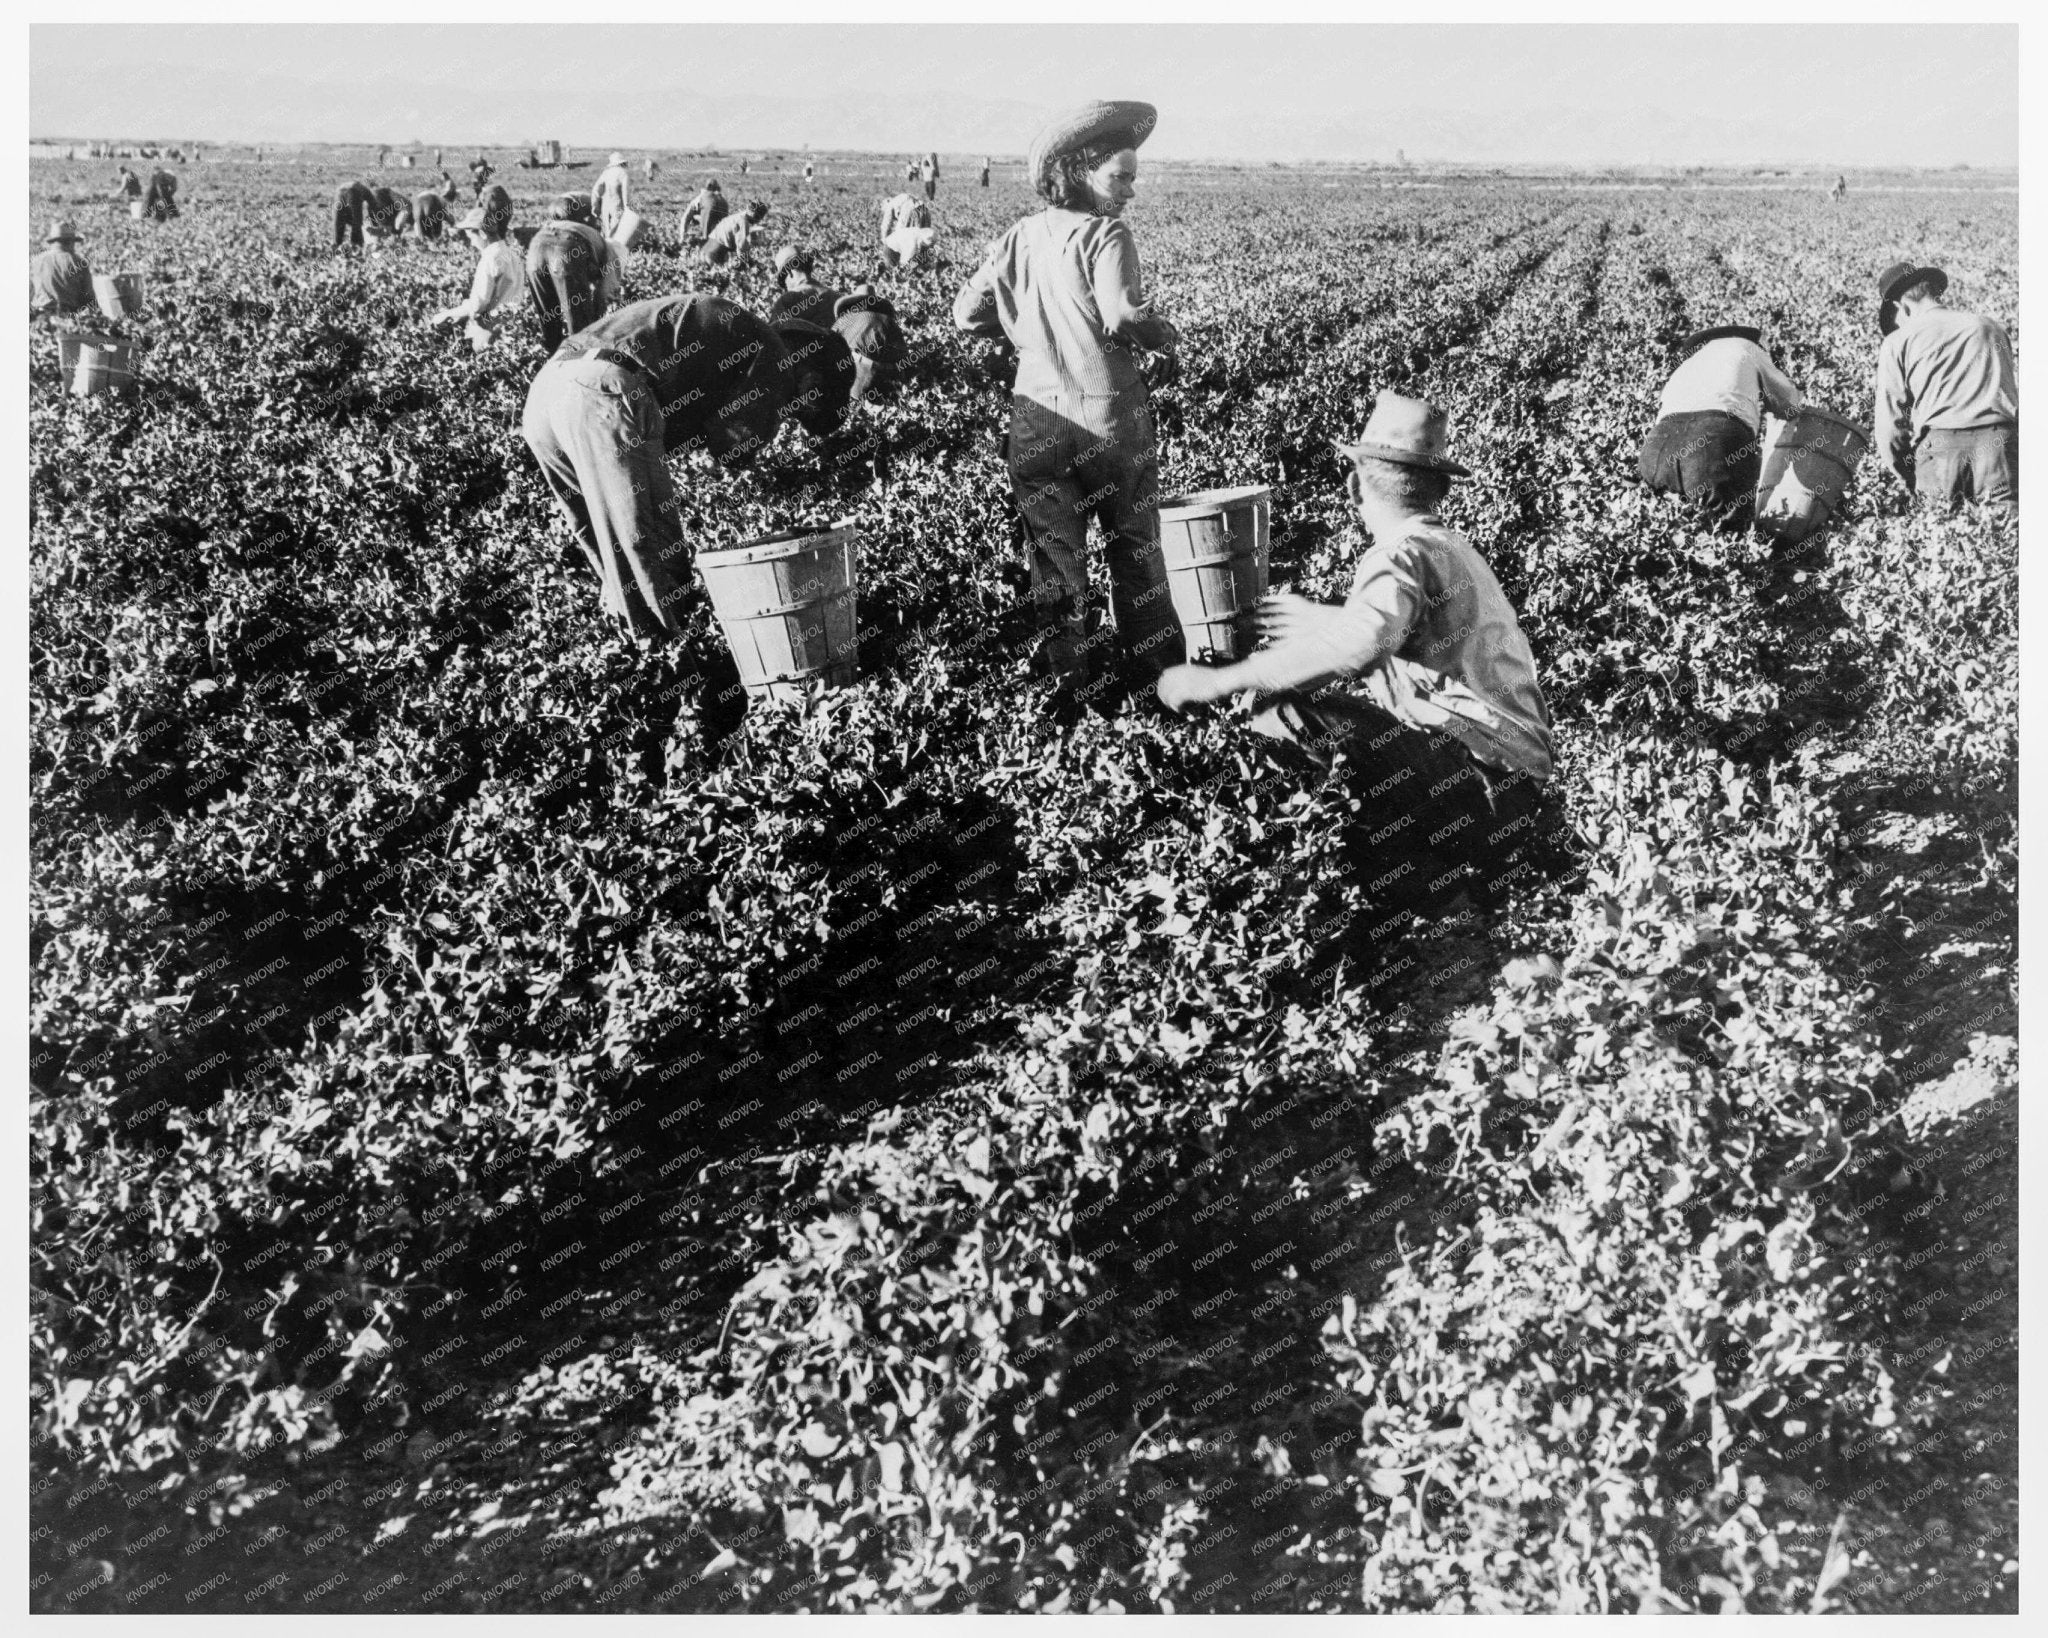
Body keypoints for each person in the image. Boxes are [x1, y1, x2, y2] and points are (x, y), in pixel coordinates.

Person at [1157, 391, 1556, 915]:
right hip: (1515, 790)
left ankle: (1395, 886)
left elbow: (1362, 645)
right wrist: (1327, 621)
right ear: (1439, 489)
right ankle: (1426, 873)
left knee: (1284, 713)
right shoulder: (1445, 547)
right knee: (1331, 720)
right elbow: (1404, 640)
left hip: (1484, 792)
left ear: (1353, 486)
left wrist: (1218, 681)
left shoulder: (1399, 554)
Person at [953, 98, 1183, 702]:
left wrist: (1024, 324)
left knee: (1056, 563)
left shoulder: (1018, 237)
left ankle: (1068, 694)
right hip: (1109, 416)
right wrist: (1162, 336)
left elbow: (966, 313)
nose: (1129, 191)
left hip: (1037, 421)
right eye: (1120, 177)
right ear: (1081, 171)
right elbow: (1122, 314)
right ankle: (1159, 686)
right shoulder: (1107, 233)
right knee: (1135, 549)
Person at [519, 293, 866, 640]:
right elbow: (733, 448)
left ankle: (626, 646)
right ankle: (675, 652)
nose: (789, 411)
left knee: (608, 547)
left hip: (547, 392)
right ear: (810, 380)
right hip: (603, 393)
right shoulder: (775, 357)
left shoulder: (737, 330)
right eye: (799, 407)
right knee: (652, 543)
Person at [1873, 261, 2018, 513]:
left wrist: (1909, 477)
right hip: (1999, 449)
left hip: (1939, 452)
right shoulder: (1989, 328)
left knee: (1939, 531)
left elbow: (1889, 430)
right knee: (2007, 530)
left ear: (1901, 307)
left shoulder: (1897, 342)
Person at [1637, 322, 1802, 532]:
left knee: (1663, 531)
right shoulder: (1747, 347)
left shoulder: (1689, 362)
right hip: (1713, 443)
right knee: (1728, 536)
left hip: (1657, 448)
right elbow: (1789, 403)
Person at [526, 193, 624, 352]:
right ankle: (578, 359)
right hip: (567, 248)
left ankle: (551, 358)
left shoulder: (569, 225)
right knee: (580, 329)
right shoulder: (612, 249)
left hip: (536, 246)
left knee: (549, 323)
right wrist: (594, 320)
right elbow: (604, 293)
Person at [431, 187, 524, 351]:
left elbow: (478, 304)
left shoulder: (489, 258)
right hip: (513, 327)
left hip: (491, 329)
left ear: (482, 234)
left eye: (471, 237)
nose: (472, 243)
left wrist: (446, 315)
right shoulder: (511, 254)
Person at [30, 219, 93, 321]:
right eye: (73, 242)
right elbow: (88, 297)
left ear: (53, 242)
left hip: (40, 316)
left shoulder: (36, 261)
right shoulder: (78, 262)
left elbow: (29, 292)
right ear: (69, 242)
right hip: (69, 317)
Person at [333, 181, 412, 250]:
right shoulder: (373, 193)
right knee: (356, 221)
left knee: (338, 221)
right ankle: (356, 246)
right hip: (353, 191)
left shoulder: (370, 194)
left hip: (339, 192)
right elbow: (372, 209)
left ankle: (337, 245)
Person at [702, 199, 770, 266]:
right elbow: (742, 249)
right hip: (713, 254)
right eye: (759, 218)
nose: (758, 221)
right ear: (755, 214)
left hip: (705, 250)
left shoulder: (737, 216)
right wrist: (752, 264)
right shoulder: (743, 222)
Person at [879, 191, 933, 268]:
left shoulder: (890, 205)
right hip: (925, 210)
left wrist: (884, 240)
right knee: (923, 238)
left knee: (904, 239)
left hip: (910, 210)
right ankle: (924, 265)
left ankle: (906, 266)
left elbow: (886, 224)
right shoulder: (901, 199)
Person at [591, 151, 632, 236]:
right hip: (618, 206)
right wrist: (627, 208)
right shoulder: (623, 173)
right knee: (616, 232)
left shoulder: (606, 173)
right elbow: (625, 192)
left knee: (606, 230)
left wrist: (595, 205)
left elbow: (596, 189)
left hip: (605, 206)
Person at [680, 178, 729, 244]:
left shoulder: (699, 199)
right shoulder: (723, 200)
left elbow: (685, 218)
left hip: (706, 232)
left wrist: (682, 236)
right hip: (719, 234)